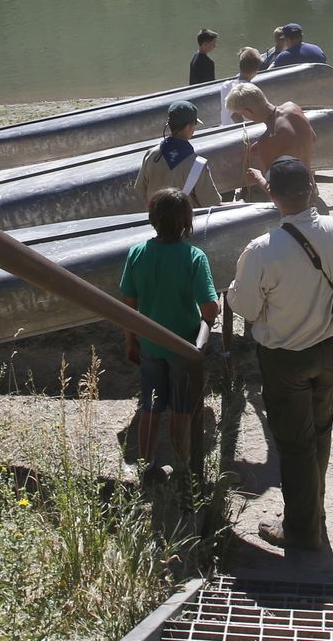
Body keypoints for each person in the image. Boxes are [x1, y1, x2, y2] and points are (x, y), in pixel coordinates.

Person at [225, 157, 333, 550]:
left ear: (271, 193)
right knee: (320, 431)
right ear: (312, 186)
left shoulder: (262, 249)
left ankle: (301, 530)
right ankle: (312, 509)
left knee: (295, 443)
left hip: (286, 358)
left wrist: (237, 292)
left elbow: (246, 308)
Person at [120, 188, 220, 469]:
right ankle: (182, 465)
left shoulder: (136, 254)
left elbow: (127, 305)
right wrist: (214, 313)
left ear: (153, 219)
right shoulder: (195, 257)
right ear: (187, 222)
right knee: (181, 409)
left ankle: (146, 463)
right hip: (184, 348)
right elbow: (210, 308)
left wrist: (130, 342)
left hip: (149, 346)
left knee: (150, 407)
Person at [226, 83, 316, 191]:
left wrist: (258, 177)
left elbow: (273, 190)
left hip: (294, 199)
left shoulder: (267, 142)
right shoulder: (293, 107)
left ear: (249, 111)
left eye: (242, 114)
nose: (245, 118)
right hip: (311, 187)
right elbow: (313, 137)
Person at [132, 101, 220, 208]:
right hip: (185, 223)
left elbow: (141, 191)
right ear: (189, 126)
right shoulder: (197, 165)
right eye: (194, 124)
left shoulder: (150, 155)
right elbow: (212, 204)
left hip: (157, 221)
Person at [219, 46, 265, 126]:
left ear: (240, 66)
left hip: (225, 132)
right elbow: (236, 117)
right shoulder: (252, 91)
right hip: (241, 133)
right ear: (255, 71)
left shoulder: (225, 86)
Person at [260, 23, 327, 70]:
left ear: (287, 39)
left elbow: (268, 74)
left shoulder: (283, 57)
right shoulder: (318, 50)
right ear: (301, 36)